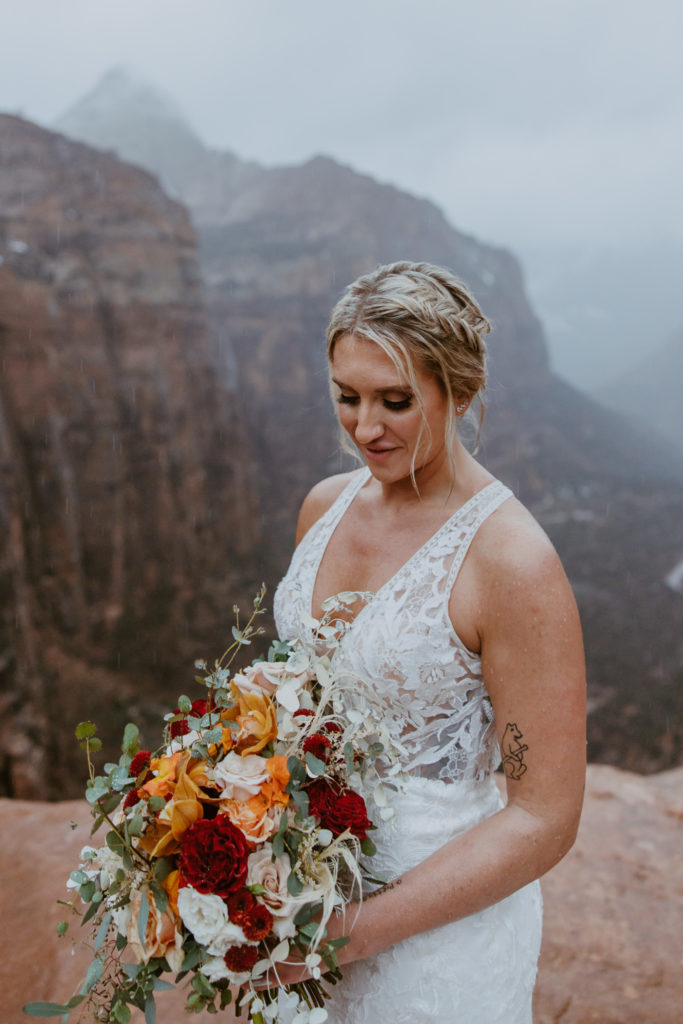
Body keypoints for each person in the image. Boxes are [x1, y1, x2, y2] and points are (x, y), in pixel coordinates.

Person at [272, 261, 586, 1023]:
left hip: (437, 944)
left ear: (460, 393)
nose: (365, 427)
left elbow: (543, 816)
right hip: (303, 902)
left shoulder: (510, 561)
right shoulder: (322, 507)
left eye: (396, 400)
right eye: (346, 397)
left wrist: (349, 934)